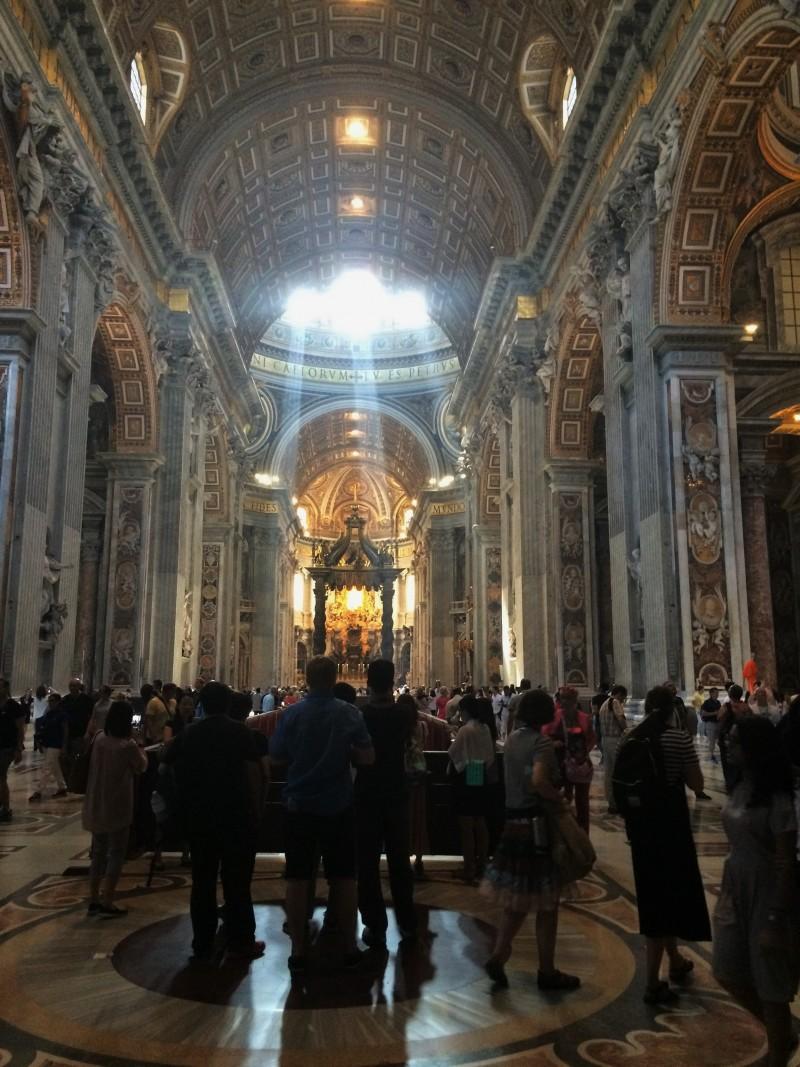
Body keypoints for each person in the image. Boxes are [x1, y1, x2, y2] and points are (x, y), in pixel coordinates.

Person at [270, 656, 375, 974]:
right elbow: (368, 757)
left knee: (298, 879)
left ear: (306, 679)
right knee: (344, 879)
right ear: (333, 680)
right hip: (338, 806)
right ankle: (349, 946)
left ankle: (299, 949)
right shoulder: (349, 713)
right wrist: (346, 754)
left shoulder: (291, 715)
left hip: (299, 806)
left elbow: (275, 757)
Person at [712, 716, 800, 1067]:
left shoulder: (778, 797)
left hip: (767, 890)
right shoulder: (740, 785)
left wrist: (777, 916)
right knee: (726, 970)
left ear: (754, 749)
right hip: (736, 883)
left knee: (770, 983)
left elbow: (785, 861)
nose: (728, 745)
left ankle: (779, 1053)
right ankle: (784, 1034)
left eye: (734, 741)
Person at [482, 689, 580, 992]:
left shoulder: (510, 739)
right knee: (548, 903)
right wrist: (559, 798)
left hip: (513, 823)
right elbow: (538, 781)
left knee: (518, 898)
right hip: (536, 826)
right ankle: (547, 971)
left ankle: (499, 954)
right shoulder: (541, 743)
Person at [620, 685, 710, 1004]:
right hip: (670, 825)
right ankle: (652, 982)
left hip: (641, 826)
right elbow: (697, 784)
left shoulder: (632, 736)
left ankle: (675, 960)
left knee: (655, 891)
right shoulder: (677, 737)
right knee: (665, 896)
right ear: (673, 709)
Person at [163, 682, 266, 962]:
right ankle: (241, 939)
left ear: (202, 705)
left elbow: (165, 761)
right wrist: (256, 811)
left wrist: (181, 797)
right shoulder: (240, 732)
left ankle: (202, 942)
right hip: (235, 816)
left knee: (203, 882)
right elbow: (252, 774)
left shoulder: (190, 733)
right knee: (237, 882)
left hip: (200, 818)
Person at [355, 659, 418, 948]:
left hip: (366, 792)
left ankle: (374, 924)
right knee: (399, 861)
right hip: (397, 791)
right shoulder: (404, 714)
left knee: (366, 863)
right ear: (393, 680)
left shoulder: (360, 714)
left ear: (368, 681)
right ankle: (407, 922)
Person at [83, 700, 148, 917]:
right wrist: (140, 746)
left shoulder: (99, 738)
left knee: (98, 854)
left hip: (96, 802)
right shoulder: (127, 745)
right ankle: (108, 899)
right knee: (116, 853)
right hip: (117, 804)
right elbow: (141, 767)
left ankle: (93, 898)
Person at [449, 694, 496, 884]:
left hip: (468, 772)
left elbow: (454, 752)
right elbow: (489, 754)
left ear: (465, 711)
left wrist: (453, 736)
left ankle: (469, 866)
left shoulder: (466, 730)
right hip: (480, 771)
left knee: (466, 823)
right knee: (480, 819)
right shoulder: (484, 727)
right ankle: (482, 863)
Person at [543, 686, 596, 833]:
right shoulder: (554, 718)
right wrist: (554, 744)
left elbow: (591, 738)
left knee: (582, 802)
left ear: (574, 700)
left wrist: (581, 753)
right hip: (560, 764)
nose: (564, 702)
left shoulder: (584, 718)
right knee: (563, 799)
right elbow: (544, 737)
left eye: (568, 698)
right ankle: (566, 832)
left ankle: (583, 834)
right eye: (562, 698)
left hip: (580, 764)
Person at [29, 691, 67, 800]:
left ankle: (38, 791)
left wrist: (64, 746)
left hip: (56, 744)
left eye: (53, 701)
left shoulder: (62, 715)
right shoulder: (48, 714)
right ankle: (62, 787)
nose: (50, 703)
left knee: (47, 767)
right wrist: (39, 743)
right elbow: (43, 729)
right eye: (49, 701)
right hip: (47, 743)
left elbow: (65, 731)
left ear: (59, 702)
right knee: (55, 767)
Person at [599, 684, 627, 813]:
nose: (623, 701)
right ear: (619, 694)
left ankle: (612, 802)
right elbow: (620, 719)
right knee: (618, 771)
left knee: (609, 772)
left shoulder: (604, 704)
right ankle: (618, 801)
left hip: (605, 739)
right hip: (615, 739)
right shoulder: (614, 702)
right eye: (623, 697)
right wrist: (626, 731)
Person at [0, 678, 25, 822]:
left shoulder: (14, 706)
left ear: (6, 689)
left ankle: (6, 807)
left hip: (7, 747)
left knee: (1, 776)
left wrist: (18, 749)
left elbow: (20, 729)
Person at [719, 684, 752, 791]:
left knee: (727, 761)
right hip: (743, 737)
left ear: (730, 694)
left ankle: (730, 782)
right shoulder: (746, 707)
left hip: (728, 738)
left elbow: (719, 719)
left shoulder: (726, 707)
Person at [61, 678, 93, 779]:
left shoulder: (86, 700)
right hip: (66, 734)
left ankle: (74, 779)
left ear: (79, 687)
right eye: (70, 686)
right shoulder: (65, 700)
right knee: (64, 758)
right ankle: (67, 780)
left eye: (74, 686)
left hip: (80, 733)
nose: (72, 688)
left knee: (76, 758)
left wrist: (88, 733)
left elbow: (91, 717)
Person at [701, 687, 722, 762]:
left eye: (717, 693)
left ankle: (718, 754)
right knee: (712, 740)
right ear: (711, 693)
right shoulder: (707, 702)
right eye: (715, 693)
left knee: (719, 740)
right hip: (710, 723)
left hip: (718, 723)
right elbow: (703, 713)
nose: (717, 694)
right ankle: (711, 755)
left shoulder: (718, 702)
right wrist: (714, 713)